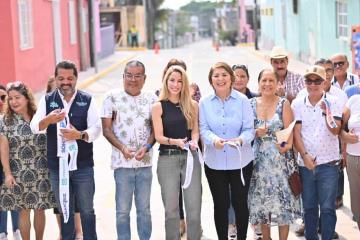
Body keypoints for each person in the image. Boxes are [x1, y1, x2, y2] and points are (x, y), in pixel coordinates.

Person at [30, 60, 101, 240]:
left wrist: (80, 135)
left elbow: (96, 128)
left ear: (76, 78)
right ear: (55, 78)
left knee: (86, 210)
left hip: (83, 166)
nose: (65, 82)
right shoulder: (47, 100)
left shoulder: (87, 99)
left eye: (70, 78)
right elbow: (34, 126)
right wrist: (48, 120)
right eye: (61, 78)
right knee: (64, 211)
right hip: (58, 167)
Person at [101, 60, 156, 240]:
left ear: (144, 78)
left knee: (144, 210)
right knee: (122, 211)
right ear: (123, 76)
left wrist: (147, 147)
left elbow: (156, 130)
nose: (133, 79)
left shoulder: (152, 99)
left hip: (144, 164)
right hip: (121, 164)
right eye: (129, 75)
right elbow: (106, 130)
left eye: (137, 76)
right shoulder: (111, 97)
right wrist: (122, 148)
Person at [199, 62, 255, 240]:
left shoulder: (243, 100)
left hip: (240, 162)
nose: (220, 79)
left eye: (224, 75)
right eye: (216, 75)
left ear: (231, 78)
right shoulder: (204, 102)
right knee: (220, 205)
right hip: (214, 163)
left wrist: (240, 140)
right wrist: (213, 140)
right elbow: (203, 129)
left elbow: (249, 129)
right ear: (211, 80)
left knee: (240, 204)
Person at [248, 69, 301, 240]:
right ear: (258, 83)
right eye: (264, 80)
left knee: (282, 205)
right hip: (258, 164)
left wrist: (285, 145)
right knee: (263, 204)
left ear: (278, 84)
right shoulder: (250, 104)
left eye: (271, 80)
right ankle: (266, 238)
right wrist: (255, 132)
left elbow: (289, 135)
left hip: (280, 163)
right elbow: (245, 131)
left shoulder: (284, 104)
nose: (267, 84)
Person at [292, 65, 342, 240]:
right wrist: (304, 156)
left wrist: (326, 111)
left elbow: (335, 131)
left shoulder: (334, 101)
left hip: (329, 164)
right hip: (306, 164)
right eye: (309, 80)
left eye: (317, 81)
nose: (312, 85)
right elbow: (296, 133)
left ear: (324, 82)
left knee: (328, 208)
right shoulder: (297, 103)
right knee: (309, 208)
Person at [152, 65, 202, 240]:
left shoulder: (193, 105)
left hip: (190, 158)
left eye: (180, 81)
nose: (176, 84)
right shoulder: (158, 107)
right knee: (171, 212)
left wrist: (194, 141)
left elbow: (195, 131)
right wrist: (175, 142)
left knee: (194, 210)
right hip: (167, 159)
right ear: (166, 81)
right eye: (172, 80)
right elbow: (158, 136)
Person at [0, 81, 55, 240]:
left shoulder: (39, 116)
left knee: (40, 209)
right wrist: (8, 174)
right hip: (17, 172)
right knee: (23, 211)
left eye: (17, 97)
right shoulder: (5, 121)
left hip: (41, 170)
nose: (13, 102)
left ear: (27, 98)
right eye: (10, 98)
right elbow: (3, 149)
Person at [45, 77, 84, 240]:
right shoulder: (46, 112)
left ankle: (79, 232)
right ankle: (63, 233)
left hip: (73, 163)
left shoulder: (73, 109)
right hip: (54, 164)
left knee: (74, 200)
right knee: (58, 202)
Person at [156, 59, 189, 237]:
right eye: (172, 76)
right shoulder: (159, 97)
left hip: (190, 153)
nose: (176, 82)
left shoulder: (192, 94)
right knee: (172, 195)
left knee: (190, 194)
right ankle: (179, 223)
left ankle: (190, 225)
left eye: (181, 76)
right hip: (169, 152)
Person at [230, 64, 258, 239]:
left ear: (248, 78)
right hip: (231, 152)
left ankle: (255, 223)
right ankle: (232, 225)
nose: (239, 79)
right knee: (233, 192)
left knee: (252, 189)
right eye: (236, 76)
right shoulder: (227, 99)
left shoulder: (256, 98)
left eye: (242, 76)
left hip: (253, 150)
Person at [0, 84, 21, 240]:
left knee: (15, 198)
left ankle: (17, 232)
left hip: (12, 164)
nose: (1, 101)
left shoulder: (13, 118)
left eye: (3, 97)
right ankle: (2, 234)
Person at [341, 94, 360, 230]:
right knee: (356, 204)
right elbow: (337, 125)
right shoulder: (353, 100)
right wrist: (344, 135)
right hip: (353, 157)